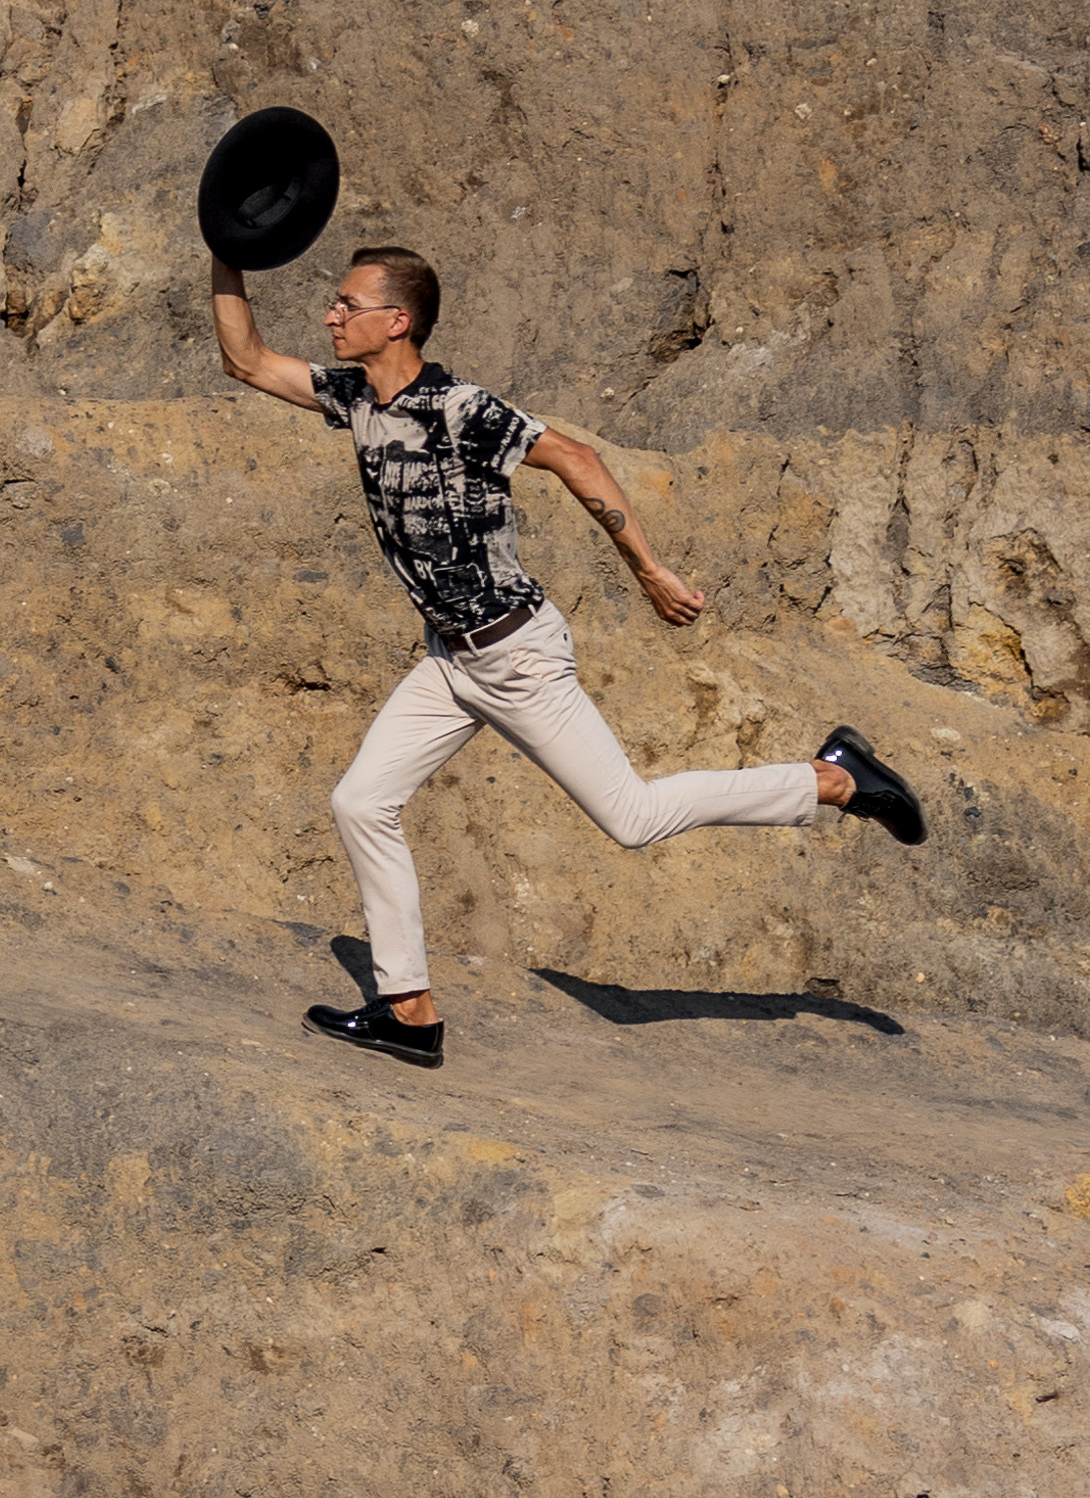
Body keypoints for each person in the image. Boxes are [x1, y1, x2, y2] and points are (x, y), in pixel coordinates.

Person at [208, 238, 925, 1069]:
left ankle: (833, 778)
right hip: (449, 661)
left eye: (348, 305)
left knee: (633, 818)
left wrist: (649, 570)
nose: (331, 315)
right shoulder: (356, 397)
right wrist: (226, 249)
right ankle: (408, 1011)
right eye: (333, 304)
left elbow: (574, 458)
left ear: (396, 321)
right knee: (361, 802)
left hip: (516, 657)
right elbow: (248, 360)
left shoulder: (461, 409)